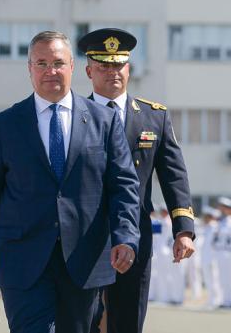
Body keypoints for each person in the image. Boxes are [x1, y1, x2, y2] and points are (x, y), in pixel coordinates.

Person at [0, 30, 141, 333]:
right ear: (29, 69)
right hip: (23, 262)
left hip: (85, 262)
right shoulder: (5, 126)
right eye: (41, 63)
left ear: (73, 67)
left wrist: (126, 236)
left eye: (58, 62)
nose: (50, 71)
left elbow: (124, 186)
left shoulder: (104, 121)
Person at [77, 28, 196, 333]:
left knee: (128, 320)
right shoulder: (75, 116)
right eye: (104, 67)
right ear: (89, 71)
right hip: (83, 236)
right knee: (82, 320)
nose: (112, 73)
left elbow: (174, 176)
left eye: (118, 65)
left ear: (129, 68)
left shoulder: (153, 117)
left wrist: (183, 230)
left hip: (133, 234)